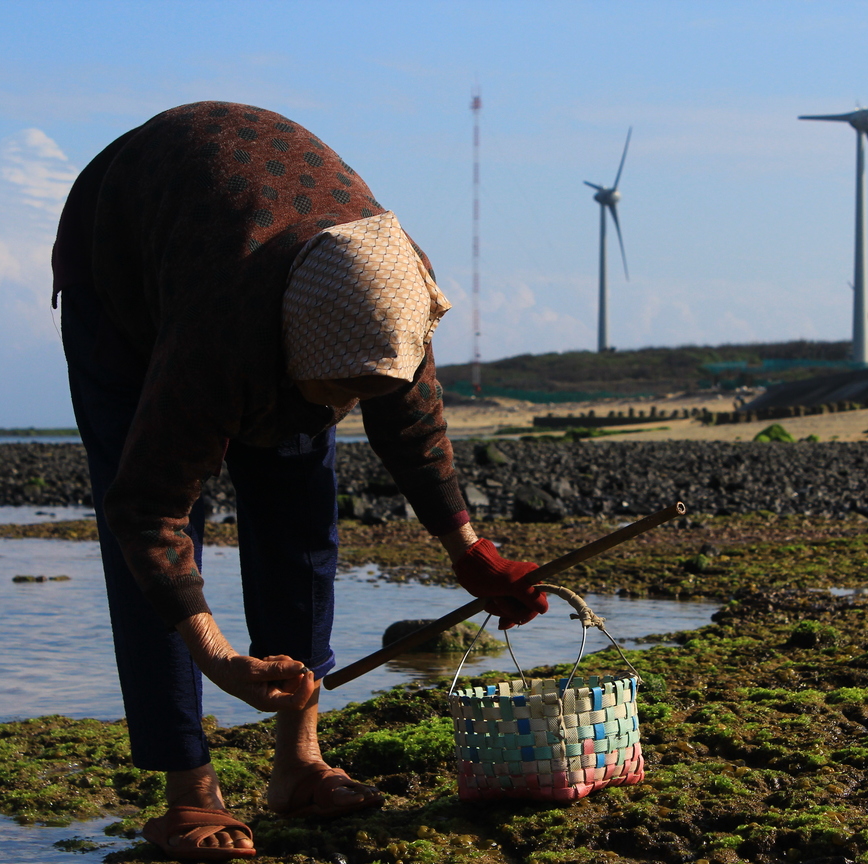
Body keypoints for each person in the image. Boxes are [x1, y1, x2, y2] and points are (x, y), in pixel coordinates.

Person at [53, 101, 549, 861]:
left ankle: (299, 763)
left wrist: (472, 554)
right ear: (287, 348)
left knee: (302, 515)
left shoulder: (392, 289)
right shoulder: (216, 337)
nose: (345, 409)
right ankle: (189, 790)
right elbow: (148, 515)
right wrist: (217, 657)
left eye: (362, 393)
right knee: (147, 538)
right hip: (117, 258)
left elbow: (413, 433)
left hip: (252, 261)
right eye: (339, 391)